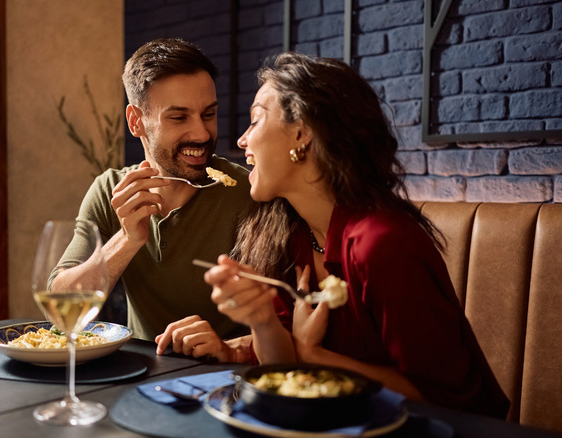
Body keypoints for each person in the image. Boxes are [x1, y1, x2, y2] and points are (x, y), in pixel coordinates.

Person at [202, 52, 509, 418]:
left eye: (255, 121)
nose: (241, 140)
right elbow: (281, 371)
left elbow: (442, 402)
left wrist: (313, 355)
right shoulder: (286, 234)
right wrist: (262, 320)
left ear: (301, 134)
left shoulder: (383, 245)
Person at [51, 38, 255, 356]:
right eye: (178, 117)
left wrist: (228, 349)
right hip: (140, 379)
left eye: (209, 114)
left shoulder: (248, 193)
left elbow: (288, 327)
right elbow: (61, 305)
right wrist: (128, 239)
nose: (201, 134)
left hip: (226, 381)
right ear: (136, 121)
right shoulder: (109, 190)